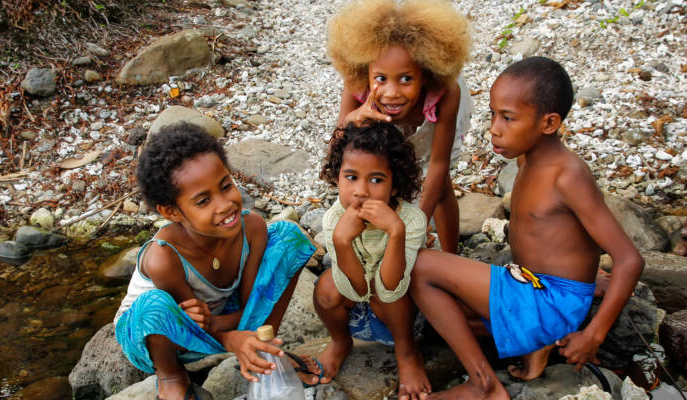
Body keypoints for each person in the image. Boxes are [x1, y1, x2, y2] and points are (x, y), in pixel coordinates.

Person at [409, 57, 645, 399]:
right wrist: (591, 278)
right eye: (492, 114)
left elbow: (629, 259)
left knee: (420, 266)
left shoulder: (567, 175)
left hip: (550, 301)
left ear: (549, 123)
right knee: (438, 310)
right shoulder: (526, 157)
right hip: (533, 287)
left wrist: (593, 335)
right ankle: (536, 345)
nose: (494, 128)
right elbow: (567, 238)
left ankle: (483, 384)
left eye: (508, 117)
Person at [113, 122, 320, 400]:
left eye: (225, 186)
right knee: (155, 307)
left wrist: (239, 330)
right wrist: (231, 338)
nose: (224, 205)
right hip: (162, 334)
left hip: (216, 318)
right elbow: (194, 325)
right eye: (203, 201)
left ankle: (263, 349)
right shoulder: (164, 257)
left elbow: (252, 305)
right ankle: (173, 378)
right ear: (172, 211)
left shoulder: (252, 228)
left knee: (288, 238)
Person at [327, 0, 472, 254]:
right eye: (381, 79)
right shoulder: (356, 87)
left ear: (425, 74)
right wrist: (353, 118)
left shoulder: (446, 92)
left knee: (441, 183)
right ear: (365, 72)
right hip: (388, 132)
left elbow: (438, 164)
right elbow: (337, 146)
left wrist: (416, 225)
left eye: (406, 78)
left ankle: (452, 254)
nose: (392, 93)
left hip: (433, 125)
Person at [314, 122, 431, 400]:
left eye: (376, 180)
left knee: (383, 287)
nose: (361, 191)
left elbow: (391, 289)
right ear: (337, 177)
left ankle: (406, 353)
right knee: (326, 287)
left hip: (402, 318)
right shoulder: (334, 218)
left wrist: (395, 232)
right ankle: (341, 342)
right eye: (351, 177)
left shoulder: (410, 220)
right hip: (357, 310)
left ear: (394, 186)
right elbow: (354, 291)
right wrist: (342, 242)